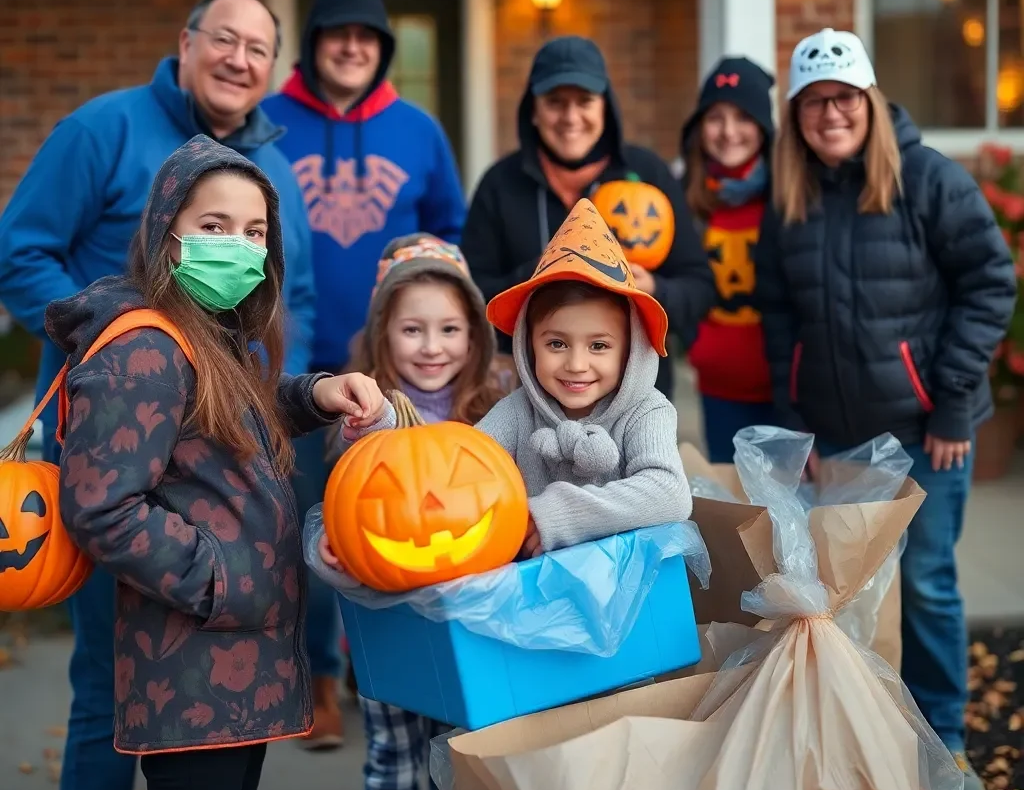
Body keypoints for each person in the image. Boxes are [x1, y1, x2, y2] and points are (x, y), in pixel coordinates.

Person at [0, 0, 318, 790]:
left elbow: (288, 300)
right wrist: (106, 335)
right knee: (111, 697)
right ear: (186, 41)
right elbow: (18, 247)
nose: (240, 59)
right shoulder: (101, 131)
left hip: (217, 461)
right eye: (225, 38)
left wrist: (305, 391)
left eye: (260, 47)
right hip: (136, 470)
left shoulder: (271, 173)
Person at [47, 135, 386, 790]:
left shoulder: (207, 335)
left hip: (229, 666)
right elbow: (101, 505)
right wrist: (221, 578)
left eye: (255, 231)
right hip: (193, 663)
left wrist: (318, 393)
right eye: (214, 226)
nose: (239, 244)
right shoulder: (145, 348)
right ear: (167, 235)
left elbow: (232, 417)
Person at [754, 27, 1016, 790]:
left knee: (929, 585)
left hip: (926, 431)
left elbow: (990, 282)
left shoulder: (929, 180)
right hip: (834, 435)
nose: (829, 114)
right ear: (796, 115)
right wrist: (794, 422)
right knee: (850, 593)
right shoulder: (788, 198)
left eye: (842, 98)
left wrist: (950, 399)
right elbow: (777, 315)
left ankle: (945, 743)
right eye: (812, 102)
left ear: (867, 100)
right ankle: (868, 737)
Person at [263, 0, 466, 741]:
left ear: (382, 50)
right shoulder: (270, 126)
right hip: (302, 373)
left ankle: (382, 670)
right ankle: (316, 678)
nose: (352, 46)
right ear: (313, 45)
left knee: (405, 525)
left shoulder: (418, 130)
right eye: (336, 34)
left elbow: (449, 228)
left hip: (401, 372)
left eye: (367, 36)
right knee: (316, 529)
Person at [311, 198, 692, 569]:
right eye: (556, 344)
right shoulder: (516, 410)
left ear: (631, 349)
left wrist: (554, 513)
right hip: (540, 602)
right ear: (529, 345)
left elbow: (668, 494)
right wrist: (358, 528)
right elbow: (447, 470)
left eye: (599, 346)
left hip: (631, 591)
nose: (577, 364)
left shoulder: (647, 411)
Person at [312, 235, 504, 790]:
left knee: (459, 760)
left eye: (449, 329)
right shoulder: (362, 418)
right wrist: (330, 551)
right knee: (392, 763)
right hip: (387, 620)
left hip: (471, 623)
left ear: (473, 336)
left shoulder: (496, 409)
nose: (431, 347)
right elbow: (338, 509)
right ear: (383, 336)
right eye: (412, 330)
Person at [461, 35, 715, 401]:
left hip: (636, 403)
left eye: (584, 102)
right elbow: (474, 296)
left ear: (605, 107)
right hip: (528, 399)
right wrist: (547, 274)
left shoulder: (647, 174)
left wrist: (656, 291)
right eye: (554, 103)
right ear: (533, 110)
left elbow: (700, 288)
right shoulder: (500, 184)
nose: (570, 117)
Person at [679, 57, 777, 462]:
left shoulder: (788, 196)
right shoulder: (683, 198)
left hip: (783, 390)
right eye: (716, 117)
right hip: (718, 387)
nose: (729, 131)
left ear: (764, 128)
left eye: (743, 117)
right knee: (734, 512)